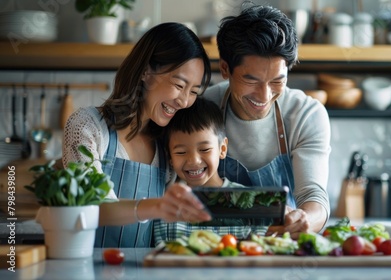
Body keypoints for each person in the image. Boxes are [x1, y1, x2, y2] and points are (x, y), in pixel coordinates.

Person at [62, 22, 212, 248]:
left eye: (193, 92)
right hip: (87, 267)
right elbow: (90, 207)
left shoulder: (168, 143)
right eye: (179, 85)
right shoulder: (88, 126)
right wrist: (156, 206)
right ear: (145, 72)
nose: (184, 101)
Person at [203, 3, 331, 239]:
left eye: (276, 81)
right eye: (251, 80)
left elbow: (314, 197)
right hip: (215, 247)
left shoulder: (306, 114)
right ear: (225, 68)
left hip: (281, 248)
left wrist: (305, 219)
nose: (264, 96)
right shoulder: (203, 107)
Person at [154, 97, 269, 244]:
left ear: (222, 149)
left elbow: (261, 251)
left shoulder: (250, 201)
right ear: (169, 156)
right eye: (181, 152)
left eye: (204, 149)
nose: (194, 161)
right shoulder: (165, 206)